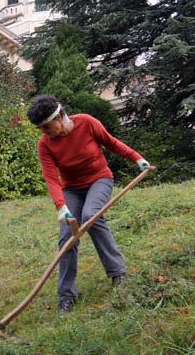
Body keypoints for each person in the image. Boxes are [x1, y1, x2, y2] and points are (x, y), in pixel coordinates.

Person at [26, 95, 150, 314]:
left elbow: (111, 143)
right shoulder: (45, 144)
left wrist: (137, 158)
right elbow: (51, 178)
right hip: (71, 189)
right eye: (40, 128)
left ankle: (117, 273)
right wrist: (61, 207)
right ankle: (66, 296)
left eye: (46, 126)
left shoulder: (86, 122)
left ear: (60, 117)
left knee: (91, 216)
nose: (44, 132)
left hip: (99, 180)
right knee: (67, 236)